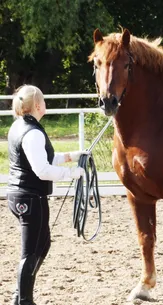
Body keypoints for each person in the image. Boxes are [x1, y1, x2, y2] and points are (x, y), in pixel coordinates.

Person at [7, 85, 86, 305]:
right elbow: (42, 170)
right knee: (31, 251)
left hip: (22, 196)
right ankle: (23, 300)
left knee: (42, 245)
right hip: (31, 199)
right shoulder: (32, 133)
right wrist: (72, 174)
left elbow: (45, 158)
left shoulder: (20, 127)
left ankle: (21, 295)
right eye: (44, 100)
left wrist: (71, 156)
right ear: (38, 105)